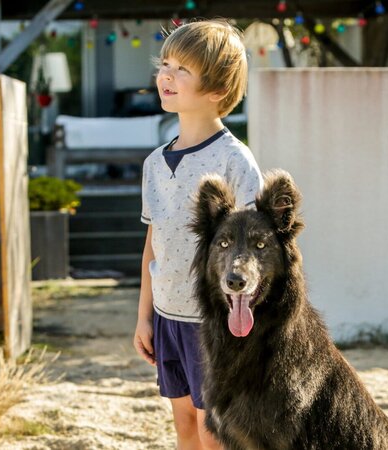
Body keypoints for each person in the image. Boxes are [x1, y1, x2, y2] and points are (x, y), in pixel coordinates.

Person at [133, 19, 263, 450]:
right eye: (165, 63)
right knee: (185, 423)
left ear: (217, 90)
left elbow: (252, 251)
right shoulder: (154, 163)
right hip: (168, 316)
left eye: (182, 69)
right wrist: (144, 316)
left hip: (214, 323)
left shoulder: (234, 161)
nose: (165, 76)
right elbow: (155, 242)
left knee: (216, 433)